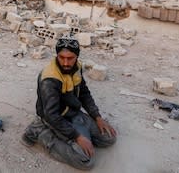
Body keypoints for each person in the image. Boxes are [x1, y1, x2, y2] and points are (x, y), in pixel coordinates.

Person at [22, 37, 117, 170]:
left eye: (70, 58)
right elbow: (51, 115)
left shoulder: (77, 67)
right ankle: (38, 131)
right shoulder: (49, 79)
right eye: (61, 57)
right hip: (55, 118)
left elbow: (84, 93)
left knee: (109, 137)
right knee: (86, 161)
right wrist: (77, 137)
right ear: (57, 55)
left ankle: (83, 135)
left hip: (73, 113)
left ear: (76, 56)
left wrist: (97, 117)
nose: (66, 62)